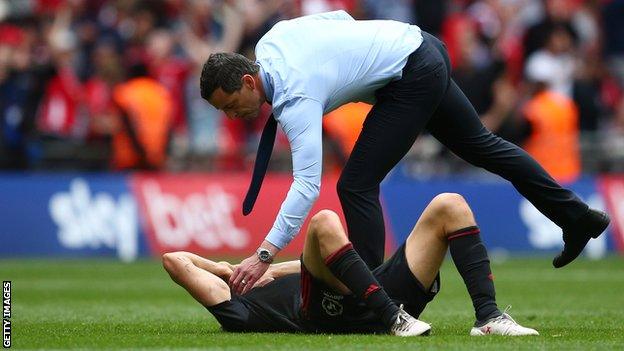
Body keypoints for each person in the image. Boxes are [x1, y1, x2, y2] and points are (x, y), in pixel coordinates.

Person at [199, 11, 610, 294]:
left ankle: (375, 296)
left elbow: (306, 185)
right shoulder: (273, 40)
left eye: (230, 103)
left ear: (251, 82)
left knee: (356, 185)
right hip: (419, 45)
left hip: (410, 75)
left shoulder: (295, 96)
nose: (231, 115)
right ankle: (577, 217)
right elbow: (339, 22)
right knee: (486, 148)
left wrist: (263, 254)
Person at [163, 193, 539, 336]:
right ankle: (394, 319)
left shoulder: (275, 275)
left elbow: (323, 265)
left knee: (450, 205)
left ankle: (488, 318)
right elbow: (174, 261)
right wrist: (224, 270)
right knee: (324, 220)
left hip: (369, 291)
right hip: (327, 313)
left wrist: (274, 269)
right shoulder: (236, 308)